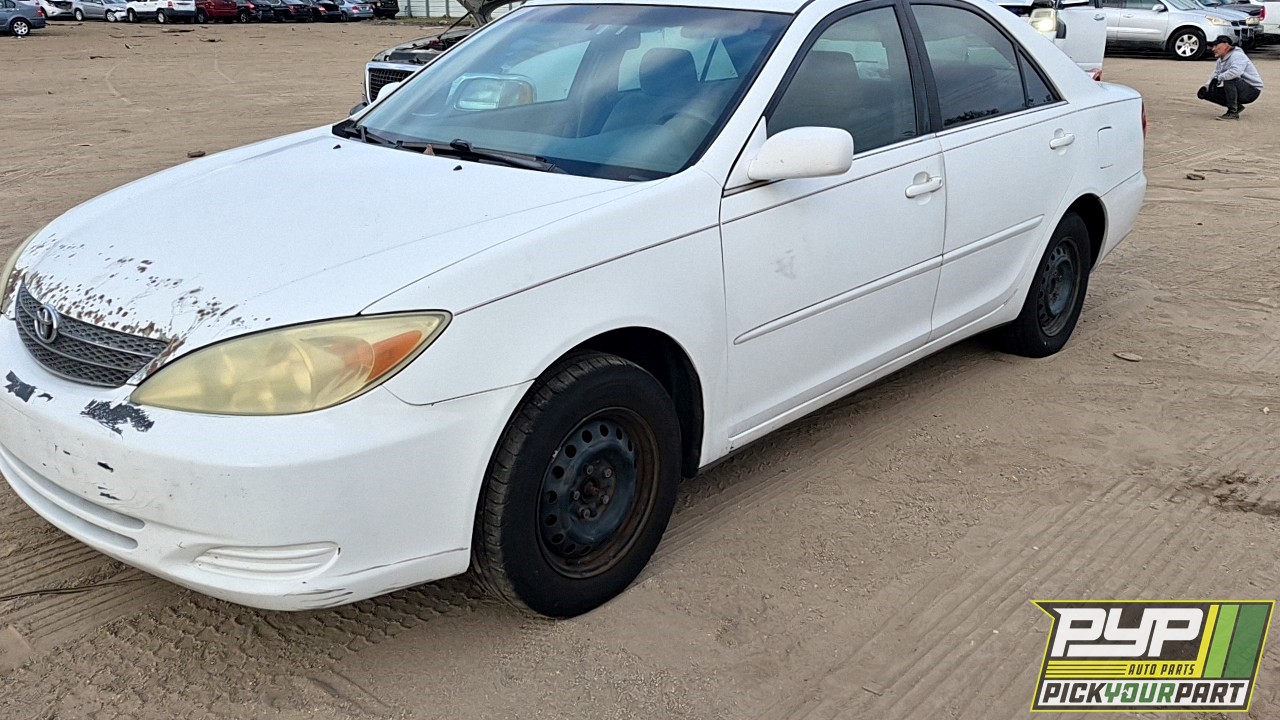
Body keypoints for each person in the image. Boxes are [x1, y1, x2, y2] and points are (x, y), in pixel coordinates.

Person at [1197, 35, 1263, 120]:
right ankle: (1237, 107)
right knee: (1208, 91)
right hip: (1239, 88)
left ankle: (1233, 112)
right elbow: (1215, 74)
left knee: (1229, 78)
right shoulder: (1220, 60)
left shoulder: (1237, 55)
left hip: (1251, 91)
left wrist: (1218, 78)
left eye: (1216, 45)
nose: (1213, 49)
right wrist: (1206, 86)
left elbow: (1235, 72)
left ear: (1226, 45)